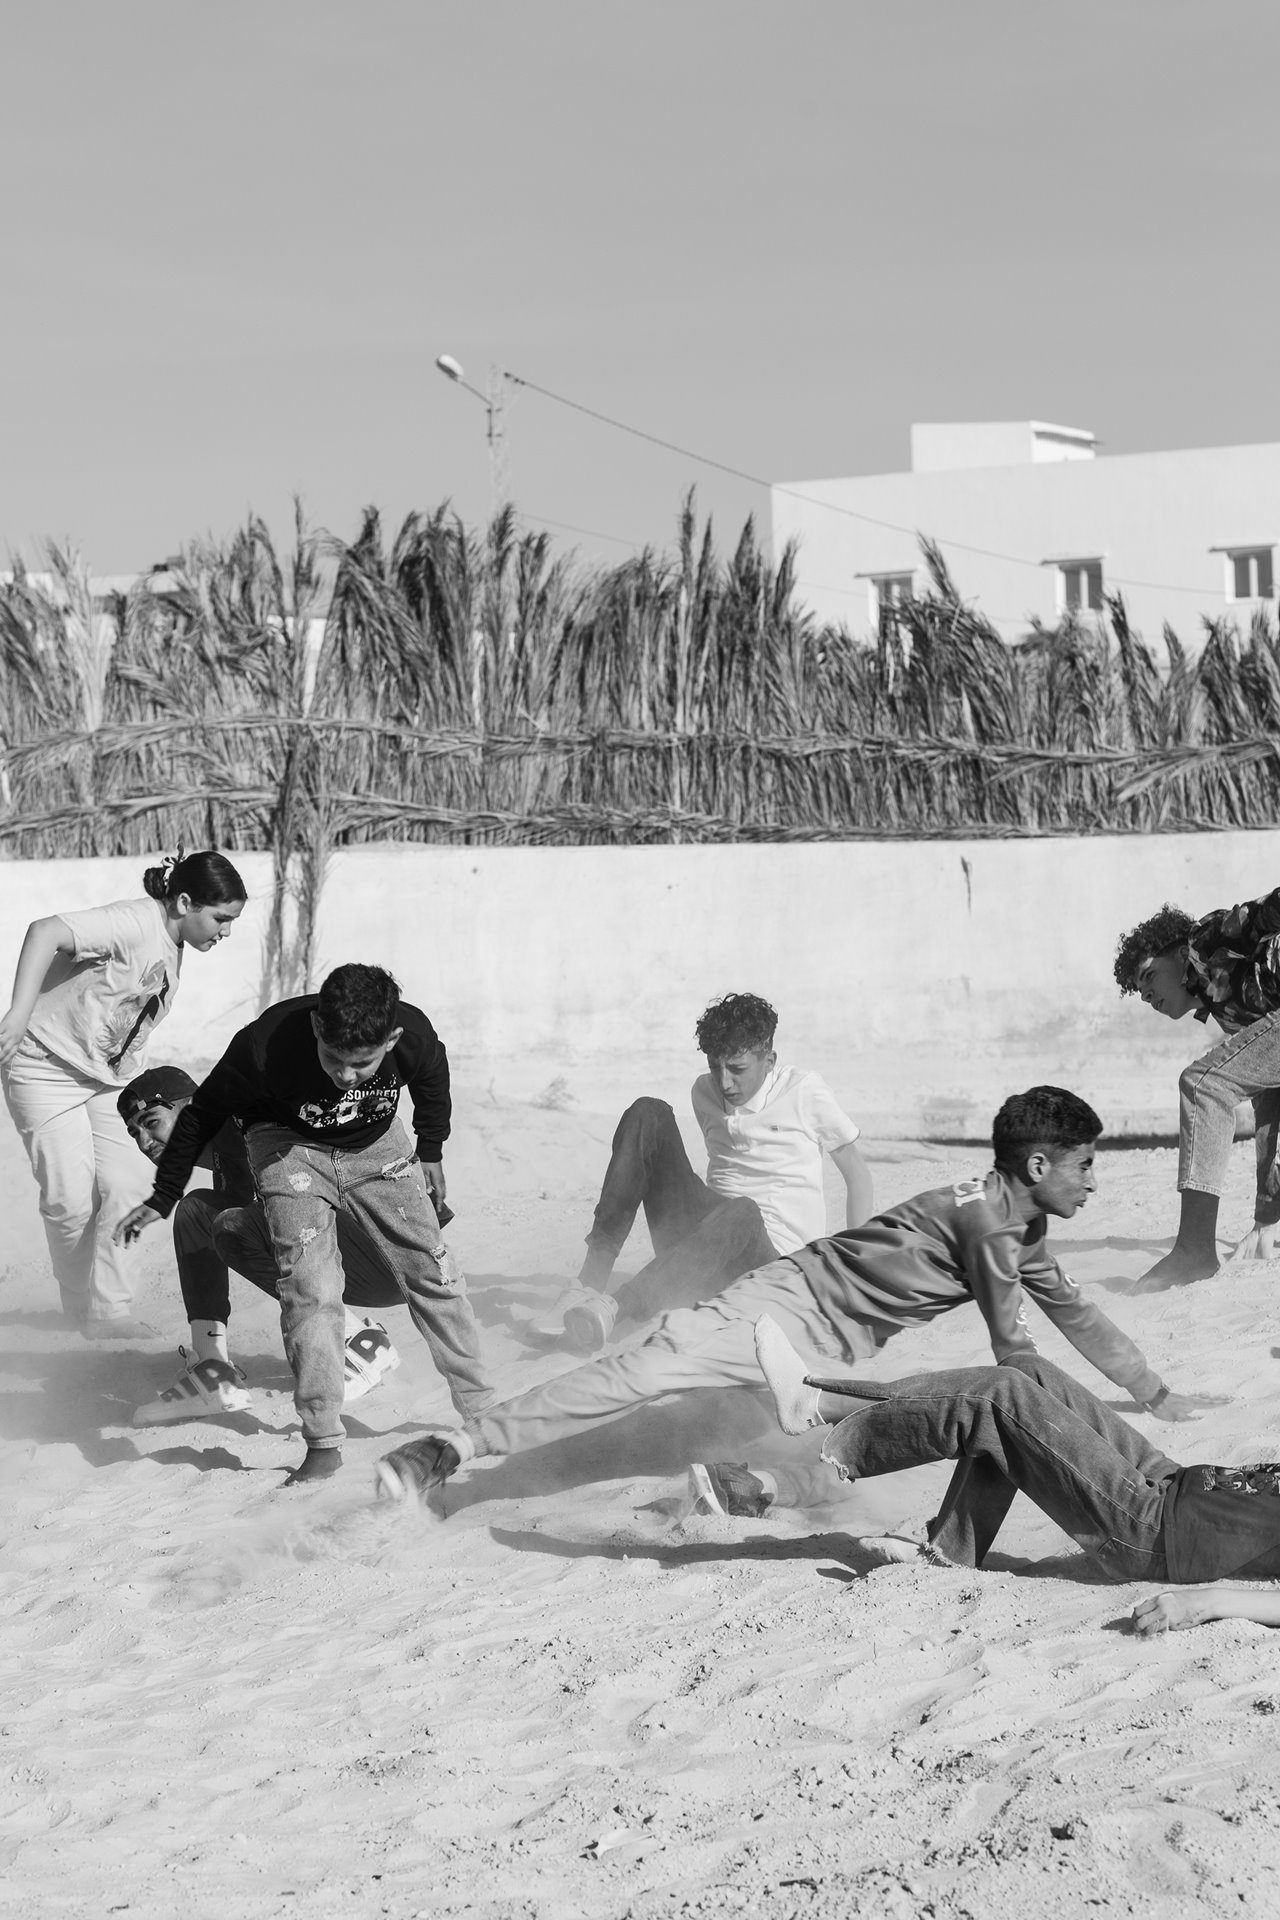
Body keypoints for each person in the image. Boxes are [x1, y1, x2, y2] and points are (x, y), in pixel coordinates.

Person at [373, 1086, 1218, 1505]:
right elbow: (1018, 1355)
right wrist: (1115, 1438)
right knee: (643, 1376)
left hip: (819, 1358)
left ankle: (725, 1491)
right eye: (1085, 1167)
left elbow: (1078, 1313)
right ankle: (456, 1446)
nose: (1094, 1184)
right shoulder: (988, 1225)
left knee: (799, 1460)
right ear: (1039, 1167)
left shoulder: (1018, 1230)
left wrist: (1156, 1392)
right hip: (776, 1307)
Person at [115, 963, 494, 1484]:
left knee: (435, 1273)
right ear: (317, 1029)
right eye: (334, 1059)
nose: (345, 1076)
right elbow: (201, 1114)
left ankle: (486, 1412)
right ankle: (322, 1442)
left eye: (361, 1064)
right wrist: (163, 1197)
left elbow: (433, 1072)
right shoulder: (264, 1046)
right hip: (286, 1148)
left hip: (375, 1144)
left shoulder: (414, 1037)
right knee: (308, 1288)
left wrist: (430, 1147)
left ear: (393, 1039)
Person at [750, 1316, 1269, 1595]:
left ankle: (818, 1404)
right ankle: (951, 1551)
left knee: (1000, 1396)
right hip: (1175, 1483)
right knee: (1027, 1370)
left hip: (1154, 1533)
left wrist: (1210, 1603)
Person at [0, 849, 247, 1337]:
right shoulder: (137, 921)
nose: (226, 931)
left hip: (106, 1083)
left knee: (133, 1183)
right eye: (220, 918)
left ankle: (109, 1314)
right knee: (70, 1201)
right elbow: (44, 931)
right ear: (183, 902)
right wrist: (17, 1014)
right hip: (43, 1067)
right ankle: (78, 1311)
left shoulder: (175, 947)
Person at [547, 991, 873, 1354]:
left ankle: (618, 1308)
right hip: (698, 1258)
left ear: (770, 1059)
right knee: (648, 1112)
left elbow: (857, 1175)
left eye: (737, 1069)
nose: (725, 1083)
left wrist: (853, 1272)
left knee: (744, 1211)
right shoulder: (703, 1093)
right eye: (715, 1066)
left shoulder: (804, 1091)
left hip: (771, 1268)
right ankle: (589, 1283)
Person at [118, 1065, 413, 1424]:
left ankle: (358, 1343)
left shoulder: (247, 1122)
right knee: (197, 1212)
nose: (143, 1141)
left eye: (151, 1122)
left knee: (245, 1222)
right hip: (354, 1251)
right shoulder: (223, 1146)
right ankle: (213, 1371)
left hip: (390, 1255)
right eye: (135, 1132)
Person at [1115, 889, 1280, 1288]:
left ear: (1176, 953)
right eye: (1141, 991)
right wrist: (1267, 1216)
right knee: (1222, 1085)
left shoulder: (1205, 939)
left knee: (1203, 1084)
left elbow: (1263, 912)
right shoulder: (1223, 1005)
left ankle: (1194, 1252)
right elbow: (1270, 1098)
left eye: (1150, 976)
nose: (1148, 995)